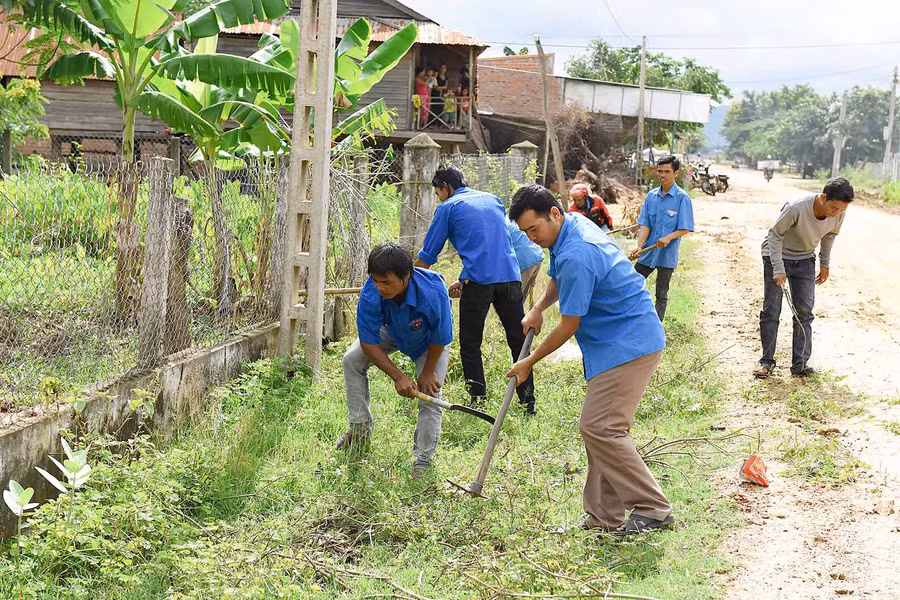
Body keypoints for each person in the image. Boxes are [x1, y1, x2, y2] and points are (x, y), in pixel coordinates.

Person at [506, 184, 673, 535]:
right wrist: (538, 308)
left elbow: (569, 324)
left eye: (534, 229)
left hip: (629, 344)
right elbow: (558, 277)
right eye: (525, 232)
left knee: (600, 427)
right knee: (601, 429)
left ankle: (654, 509)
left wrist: (529, 362)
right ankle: (603, 516)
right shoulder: (569, 228)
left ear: (554, 214)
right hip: (613, 342)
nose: (532, 238)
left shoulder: (577, 251)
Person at [414, 165, 537, 415]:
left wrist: (410, 281)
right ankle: (528, 403)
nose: (439, 198)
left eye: (438, 193)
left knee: (470, 343)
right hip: (510, 276)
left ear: (446, 187)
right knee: (519, 340)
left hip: (479, 283)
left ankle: (478, 401)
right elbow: (490, 244)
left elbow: (428, 254)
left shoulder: (448, 207)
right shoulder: (493, 200)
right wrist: (464, 277)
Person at [338, 243, 453, 477]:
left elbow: (440, 336)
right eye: (376, 281)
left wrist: (428, 371)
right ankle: (359, 432)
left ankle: (422, 462)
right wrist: (398, 376)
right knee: (352, 360)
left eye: (386, 282)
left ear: (407, 275)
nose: (381, 287)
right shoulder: (371, 293)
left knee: (430, 395)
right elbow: (369, 343)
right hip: (391, 331)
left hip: (429, 341)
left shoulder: (433, 290)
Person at [753, 178, 854, 379]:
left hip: (805, 258)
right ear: (823, 198)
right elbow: (774, 235)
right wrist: (778, 268)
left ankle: (800, 364)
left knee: (804, 312)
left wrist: (824, 264)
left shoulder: (839, 212)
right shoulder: (796, 207)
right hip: (777, 255)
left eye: (841, 210)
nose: (836, 213)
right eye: (833, 208)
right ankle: (766, 362)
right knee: (772, 310)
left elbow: (829, 235)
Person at [629, 155, 694, 321]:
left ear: (676, 173)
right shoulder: (651, 196)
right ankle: (632, 321)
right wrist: (639, 246)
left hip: (667, 255)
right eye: (659, 171)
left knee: (661, 294)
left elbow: (685, 227)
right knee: (631, 285)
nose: (662, 175)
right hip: (648, 252)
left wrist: (669, 237)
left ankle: (656, 329)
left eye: (667, 171)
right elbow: (645, 225)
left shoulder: (682, 198)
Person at [507, 217, 545, 300]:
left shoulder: (502, 225)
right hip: (537, 256)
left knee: (513, 300)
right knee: (520, 298)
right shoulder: (512, 222)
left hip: (525, 261)